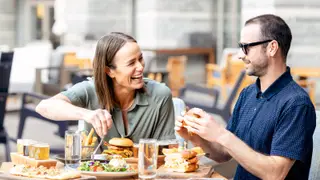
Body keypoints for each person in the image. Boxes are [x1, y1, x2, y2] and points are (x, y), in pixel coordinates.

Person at [175, 14, 316, 180]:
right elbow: (223, 154)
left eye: (246, 47)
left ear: (272, 48)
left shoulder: (296, 104)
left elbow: (275, 174)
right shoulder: (248, 94)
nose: (240, 55)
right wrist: (196, 137)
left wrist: (220, 134)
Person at [36, 32, 175, 143]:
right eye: (131, 63)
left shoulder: (160, 95)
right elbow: (44, 106)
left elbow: (166, 152)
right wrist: (87, 114)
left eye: (140, 58)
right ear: (109, 71)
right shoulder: (90, 89)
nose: (140, 67)